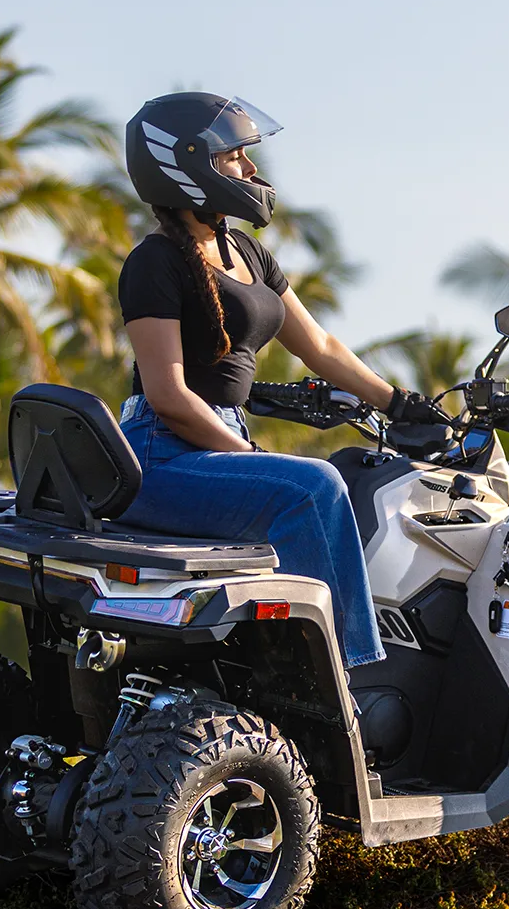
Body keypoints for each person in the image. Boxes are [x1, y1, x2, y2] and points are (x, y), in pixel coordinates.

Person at [115, 92, 444, 669]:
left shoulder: (247, 251)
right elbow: (167, 397)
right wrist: (243, 451)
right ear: (188, 163)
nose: (251, 170)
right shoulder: (154, 261)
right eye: (234, 156)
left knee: (327, 480)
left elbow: (320, 347)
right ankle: (346, 679)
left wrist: (400, 402)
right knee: (314, 488)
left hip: (213, 445)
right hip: (161, 455)